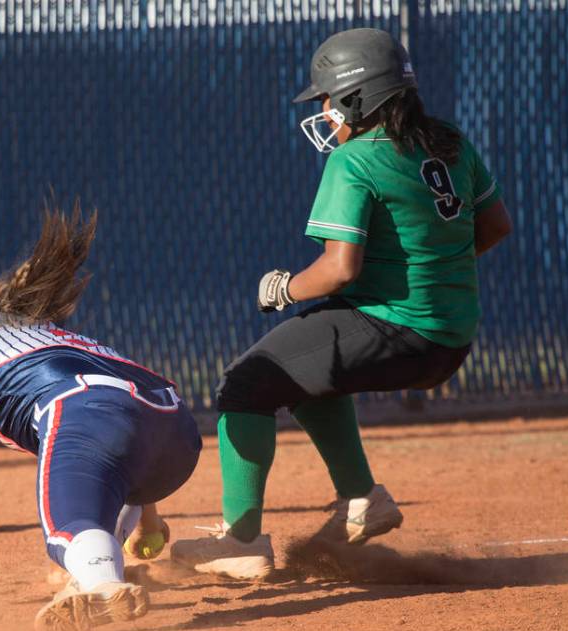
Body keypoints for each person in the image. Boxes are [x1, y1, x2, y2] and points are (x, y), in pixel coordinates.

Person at [170, 28, 513, 580]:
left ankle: (242, 539)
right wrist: (430, 266)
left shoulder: (353, 160)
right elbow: (495, 224)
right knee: (305, 371)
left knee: (247, 382)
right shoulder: (449, 140)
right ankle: (361, 499)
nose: (325, 110)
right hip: (450, 333)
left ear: (359, 98)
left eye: (329, 97)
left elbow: (339, 269)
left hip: (400, 328)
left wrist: (283, 288)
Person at [0, 204, 202, 631]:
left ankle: (100, 579)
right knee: (102, 469)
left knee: (66, 529)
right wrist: (148, 520)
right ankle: (96, 562)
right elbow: (129, 422)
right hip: (179, 434)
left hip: (87, 414)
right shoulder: (85, 345)